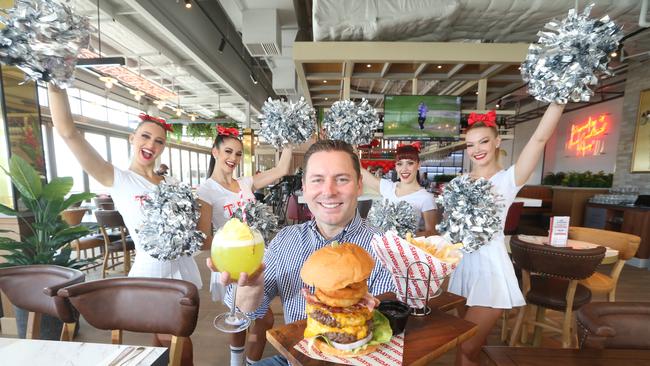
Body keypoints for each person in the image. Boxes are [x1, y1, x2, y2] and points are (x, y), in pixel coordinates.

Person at [47, 85, 201, 365]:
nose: (151, 145)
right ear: (132, 138)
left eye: (159, 141)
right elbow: (69, 133)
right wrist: (56, 83)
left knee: (165, 334)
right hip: (151, 272)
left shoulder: (169, 181)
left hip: (180, 268)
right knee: (178, 339)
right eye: (145, 136)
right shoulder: (116, 178)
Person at [209, 139, 396, 366]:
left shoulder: (385, 248)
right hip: (295, 358)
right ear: (305, 189)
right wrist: (250, 287)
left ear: (359, 185)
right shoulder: (285, 241)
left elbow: (388, 332)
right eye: (317, 180)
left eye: (342, 179)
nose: (329, 191)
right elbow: (246, 314)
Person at [450, 105, 565, 366]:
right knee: (464, 346)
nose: (476, 149)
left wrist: (559, 99)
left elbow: (539, 139)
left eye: (483, 142)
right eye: (470, 145)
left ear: (497, 142)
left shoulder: (507, 179)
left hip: (491, 272)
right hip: (462, 268)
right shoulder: (460, 182)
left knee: (467, 346)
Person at [196, 127, 292, 366]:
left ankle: (246, 362)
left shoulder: (245, 182)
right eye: (228, 151)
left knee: (253, 316)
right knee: (252, 316)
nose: (233, 158)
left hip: (258, 255)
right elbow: (205, 236)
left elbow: (281, 170)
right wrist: (226, 252)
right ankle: (241, 362)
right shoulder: (206, 190)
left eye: (238, 154)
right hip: (231, 260)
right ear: (215, 152)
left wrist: (290, 138)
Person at [361, 143, 437, 236]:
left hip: (408, 249)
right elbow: (361, 172)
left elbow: (432, 233)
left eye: (410, 163)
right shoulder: (388, 187)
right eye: (400, 164)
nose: (404, 169)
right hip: (382, 247)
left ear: (418, 165)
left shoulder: (426, 198)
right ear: (396, 167)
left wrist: (404, 237)